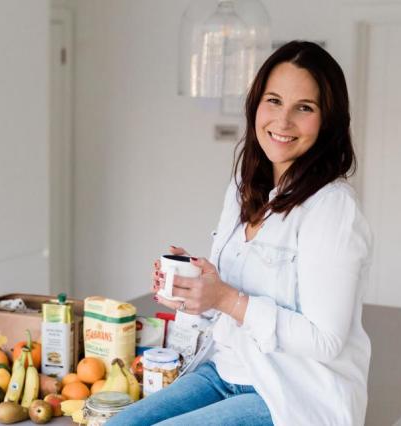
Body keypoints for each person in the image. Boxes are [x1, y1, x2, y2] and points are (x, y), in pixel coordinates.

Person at [107, 41, 372, 426]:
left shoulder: (332, 208)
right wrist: (197, 288)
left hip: (292, 394)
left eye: (305, 108)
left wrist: (228, 299)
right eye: (274, 100)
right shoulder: (242, 188)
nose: (282, 122)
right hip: (227, 371)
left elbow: (325, 341)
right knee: (119, 423)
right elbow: (230, 298)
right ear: (255, 105)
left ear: (328, 120)